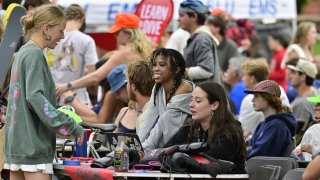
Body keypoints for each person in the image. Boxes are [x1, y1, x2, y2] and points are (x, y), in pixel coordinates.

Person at [3, 5, 83, 179]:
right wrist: (70, 126)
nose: (62, 37)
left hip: (17, 145)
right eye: (61, 31)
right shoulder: (35, 55)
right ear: (46, 28)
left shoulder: (24, 52)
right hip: (33, 146)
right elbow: (35, 97)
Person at [55, 13, 153, 96]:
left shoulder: (124, 53)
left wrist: (67, 86)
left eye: (117, 32)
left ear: (128, 33)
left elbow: (95, 77)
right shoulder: (147, 49)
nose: (115, 36)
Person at [166, 81, 246, 173]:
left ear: (214, 105)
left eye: (198, 101)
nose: (191, 105)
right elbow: (166, 151)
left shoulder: (229, 133)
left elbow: (207, 162)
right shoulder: (189, 128)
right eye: (191, 100)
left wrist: (181, 156)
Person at [140, 48, 194, 150]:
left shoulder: (184, 89)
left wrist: (140, 151)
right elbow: (149, 121)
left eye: (162, 65)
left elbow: (163, 126)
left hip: (183, 148)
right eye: (154, 64)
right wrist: (136, 145)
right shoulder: (158, 87)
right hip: (165, 147)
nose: (156, 69)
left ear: (177, 70)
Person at [48, 4, 98, 106]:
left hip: (50, 99)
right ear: (82, 19)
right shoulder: (86, 40)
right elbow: (92, 75)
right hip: (76, 100)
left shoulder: (51, 37)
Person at [239, 58, 290, 138]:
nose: (242, 79)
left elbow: (241, 132)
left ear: (252, 78)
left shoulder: (249, 99)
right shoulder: (279, 89)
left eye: (244, 75)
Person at [245, 80, 297, 159]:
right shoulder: (264, 124)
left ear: (268, 98)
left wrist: (239, 155)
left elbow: (259, 154)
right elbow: (249, 144)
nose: (252, 100)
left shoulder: (276, 125)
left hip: (263, 169)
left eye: (256, 96)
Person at [178, 0, 221, 83]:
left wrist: (180, 71)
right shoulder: (198, 37)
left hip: (203, 94)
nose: (178, 19)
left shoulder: (202, 39)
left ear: (193, 16)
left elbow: (207, 70)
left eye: (181, 15)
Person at [287, 59, 318, 144]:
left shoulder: (302, 104)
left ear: (303, 77)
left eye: (294, 72)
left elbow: (296, 136)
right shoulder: (314, 91)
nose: (290, 76)